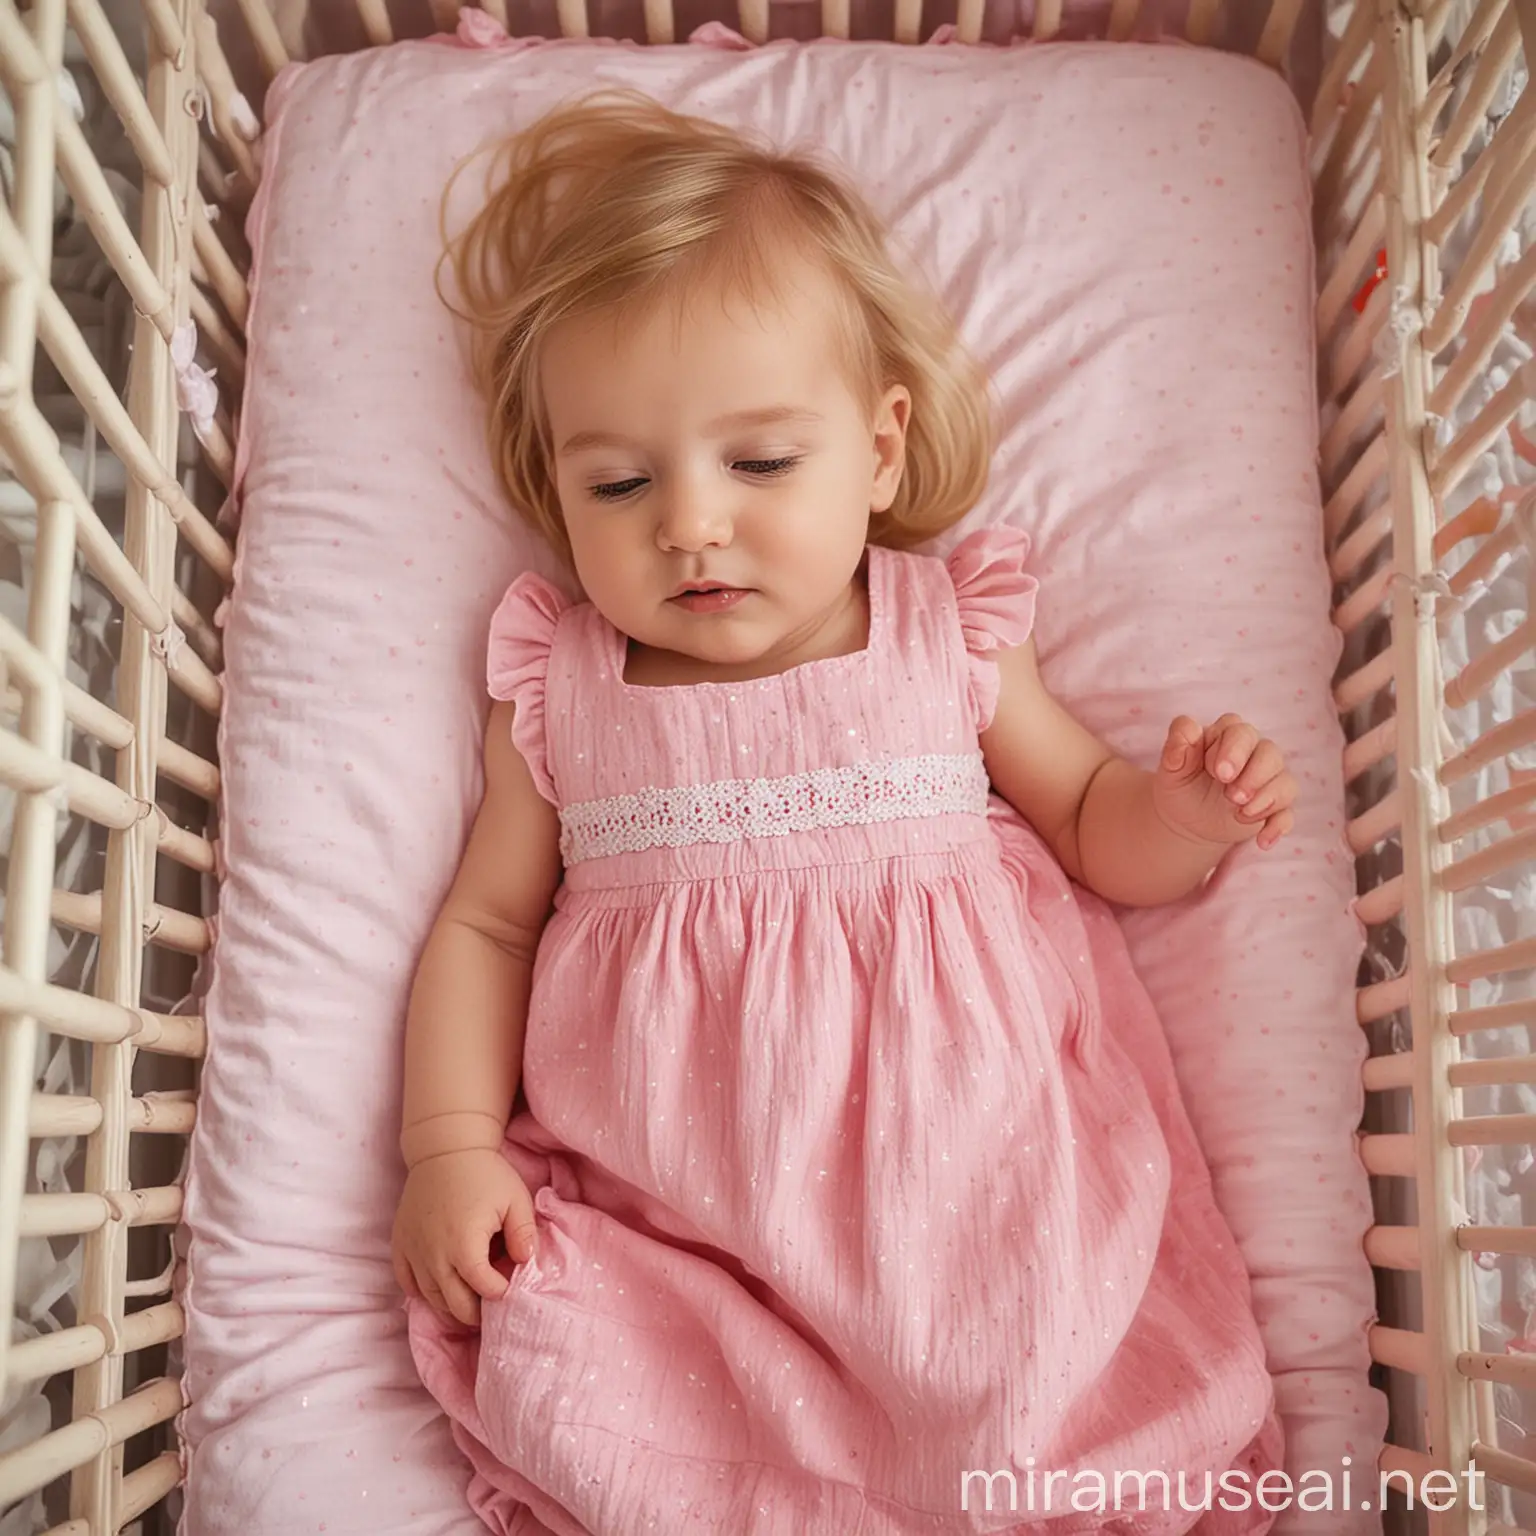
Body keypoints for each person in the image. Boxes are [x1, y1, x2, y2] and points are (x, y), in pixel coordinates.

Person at [394, 92, 1290, 1534]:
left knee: (1021, 1367)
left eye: (759, 462)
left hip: (974, 1177)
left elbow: (1089, 820)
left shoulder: (952, 632)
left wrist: (1184, 811)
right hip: (686, 1213)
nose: (690, 521)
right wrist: (450, 1144)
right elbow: (489, 924)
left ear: (880, 451)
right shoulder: (558, 683)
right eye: (618, 481)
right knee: (595, 1373)